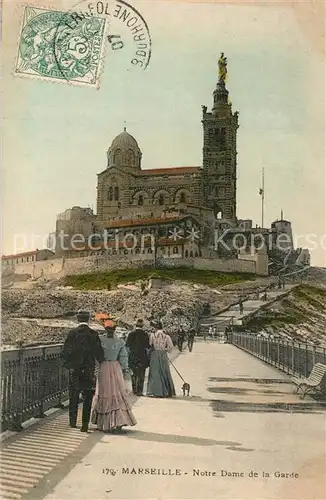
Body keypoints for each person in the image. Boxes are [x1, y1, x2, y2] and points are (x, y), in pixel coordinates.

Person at [62, 310, 104, 433]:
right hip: (88, 370)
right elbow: (99, 354)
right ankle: (84, 425)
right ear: (89, 320)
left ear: (77, 320)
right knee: (87, 398)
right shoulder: (93, 334)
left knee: (73, 396)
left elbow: (65, 352)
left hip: (75, 370)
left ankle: (72, 421)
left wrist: (69, 366)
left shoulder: (72, 333)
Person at [91, 320, 136, 433]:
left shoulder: (100, 340)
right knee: (117, 392)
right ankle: (118, 420)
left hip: (104, 367)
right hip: (116, 367)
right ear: (115, 329)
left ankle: (104, 422)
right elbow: (124, 358)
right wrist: (125, 368)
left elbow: (96, 354)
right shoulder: (120, 342)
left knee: (103, 392)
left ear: (105, 329)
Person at [147, 321, 176, 398]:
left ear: (156, 327)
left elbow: (150, 345)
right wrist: (165, 349)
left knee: (155, 372)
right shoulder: (167, 336)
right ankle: (166, 391)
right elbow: (171, 347)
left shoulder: (152, 335)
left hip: (155, 354)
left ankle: (155, 391)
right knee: (164, 371)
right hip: (163, 354)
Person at [125, 319, 150, 396]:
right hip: (142, 356)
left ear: (136, 325)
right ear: (142, 326)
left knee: (133, 373)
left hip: (133, 356)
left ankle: (134, 389)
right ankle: (139, 391)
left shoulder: (131, 334)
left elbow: (127, 345)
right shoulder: (145, 334)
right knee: (141, 374)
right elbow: (147, 346)